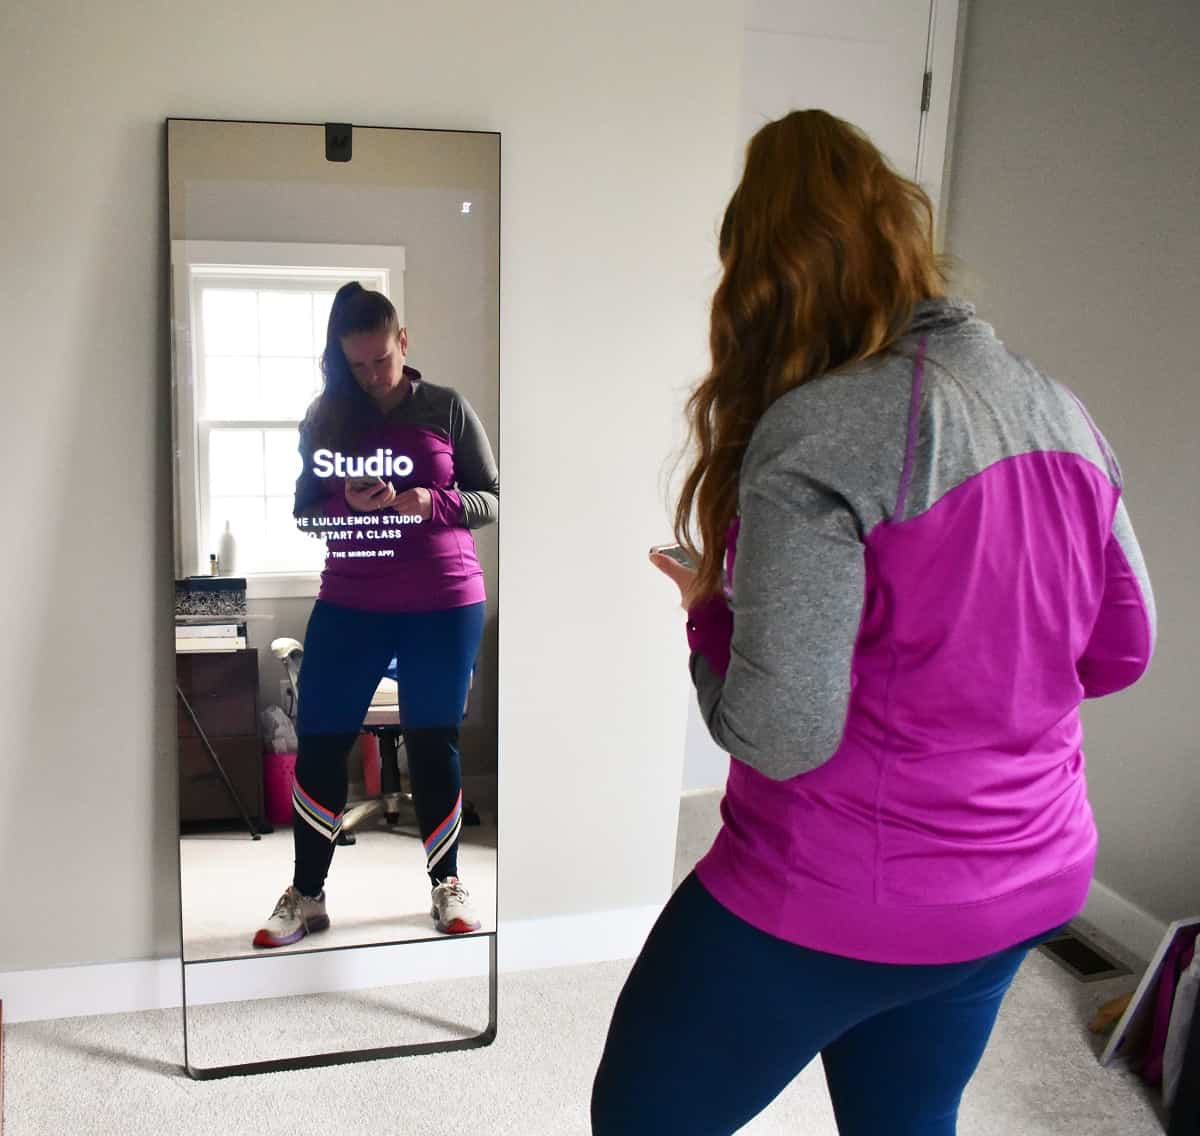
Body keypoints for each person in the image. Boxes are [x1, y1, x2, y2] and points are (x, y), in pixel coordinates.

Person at [591, 110, 1156, 1135]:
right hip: (1030, 877)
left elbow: (780, 731)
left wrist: (709, 617)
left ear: (760, 274)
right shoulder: (1059, 408)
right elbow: (1122, 650)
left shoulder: (822, 426)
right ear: (901, 236)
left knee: (642, 1118)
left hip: (840, 889)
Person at [253, 281, 498, 948]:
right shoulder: (325, 417)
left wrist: (430, 501)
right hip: (351, 599)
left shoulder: (446, 407)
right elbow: (305, 512)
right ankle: (307, 895)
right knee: (323, 741)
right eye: (355, 365)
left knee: (432, 740)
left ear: (404, 342)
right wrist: (348, 508)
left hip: (444, 600)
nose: (369, 376)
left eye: (381, 361)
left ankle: (446, 882)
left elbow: (492, 496)